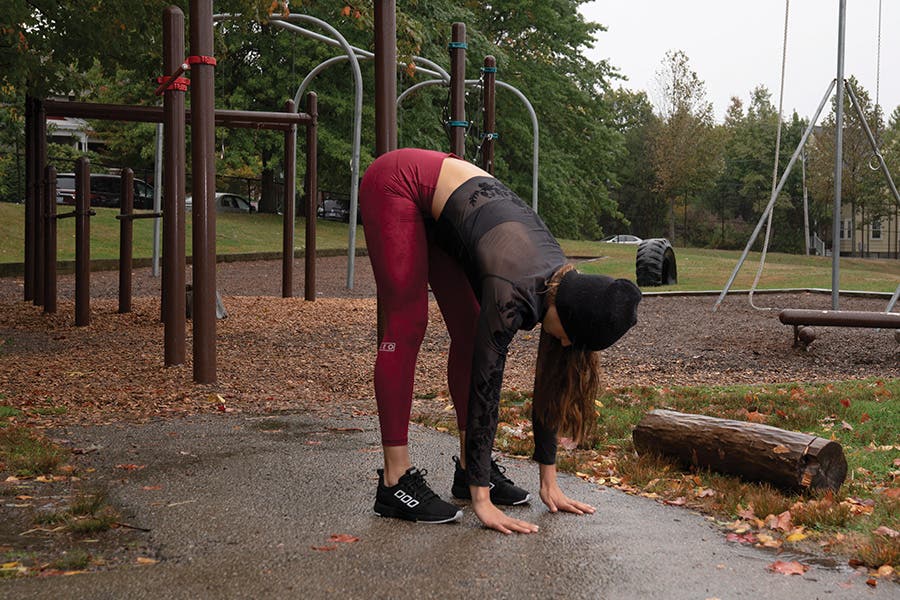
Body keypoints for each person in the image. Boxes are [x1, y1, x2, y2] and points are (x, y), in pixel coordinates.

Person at [359, 148, 641, 534]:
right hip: (399, 182)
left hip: (445, 208)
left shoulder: (561, 284)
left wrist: (549, 479)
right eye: (569, 340)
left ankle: (468, 468)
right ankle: (394, 481)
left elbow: (552, 377)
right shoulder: (514, 289)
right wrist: (482, 501)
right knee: (408, 323)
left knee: (469, 325)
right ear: (568, 317)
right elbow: (486, 382)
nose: (562, 345)